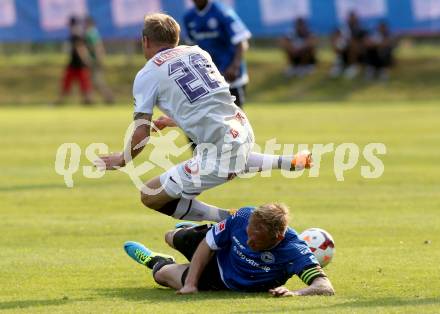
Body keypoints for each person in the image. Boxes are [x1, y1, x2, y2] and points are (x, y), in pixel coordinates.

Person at [97, 13, 312, 224]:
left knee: (150, 194)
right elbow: (206, 101)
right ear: (176, 39)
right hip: (242, 128)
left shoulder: (147, 74)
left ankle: (231, 218)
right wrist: (173, 120)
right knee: (232, 155)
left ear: (145, 40)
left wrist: (122, 159)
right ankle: (290, 162)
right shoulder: (198, 53)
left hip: (220, 145)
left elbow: (141, 130)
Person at [124, 203, 335, 296]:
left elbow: (324, 286)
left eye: (256, 239)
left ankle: (155, 259)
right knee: (172, 236)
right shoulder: (243, 217)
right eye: (248, 232)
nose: (249, 240)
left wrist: (295, 293)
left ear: (277, 237)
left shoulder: (294, 249)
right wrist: (190, 284)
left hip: (219, 278)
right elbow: (207, 245)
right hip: (216, 250)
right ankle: (189, 230)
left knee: (161, 275)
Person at [183, 0, 251, 108]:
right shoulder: (189, 17)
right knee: (213, 117)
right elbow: (191, 47)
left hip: (230, 74)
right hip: (208, 76)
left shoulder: (222, 12)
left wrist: (234, 67)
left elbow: (242, 41)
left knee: (237, 116)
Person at [56, 16, 93, 105]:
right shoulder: (76, 34)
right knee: (69, 82)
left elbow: (81, 49)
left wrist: (86, 60)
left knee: (83, 83)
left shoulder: (76, 35)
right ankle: (62, 100)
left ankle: (88, 100)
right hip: (73, 63)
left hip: (79, 64)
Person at [330, 11, 368, 79]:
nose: (352, 19)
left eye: (353, 17)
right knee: (338, 44)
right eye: (350, 17)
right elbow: (334, 37)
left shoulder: (361, 29)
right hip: (344, 49)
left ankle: (353, 66)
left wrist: (351, 42)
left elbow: (365, 42)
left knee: (352, 45)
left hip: (358, 52)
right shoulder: (342, 28)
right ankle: (339, 65)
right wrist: (336, 41)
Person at [84, 16, 114, 104]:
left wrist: (97, 58)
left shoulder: (90, 32)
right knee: (92, 80)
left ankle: (108, 97)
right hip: (95, 59)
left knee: (97, 80)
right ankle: (89, 98)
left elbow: (96, 46)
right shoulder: (94, 32)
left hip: (94, 60)